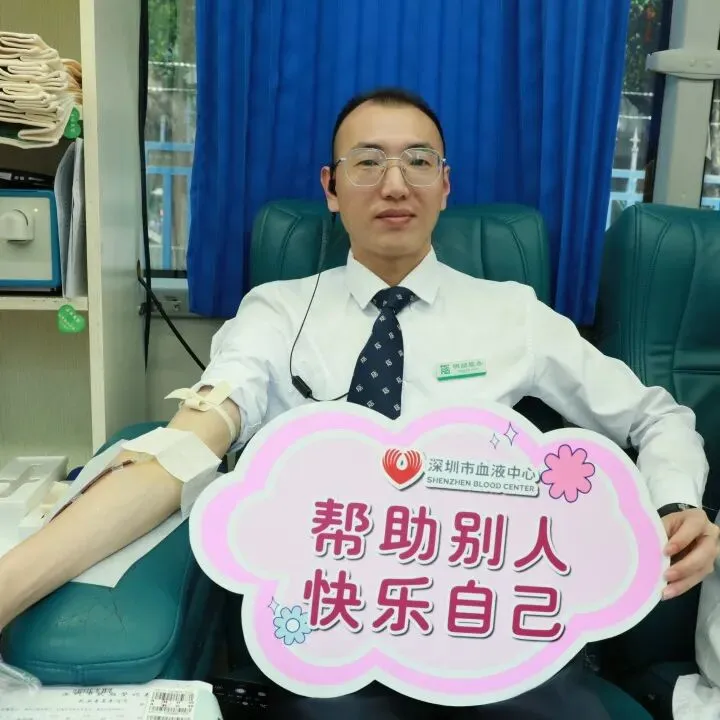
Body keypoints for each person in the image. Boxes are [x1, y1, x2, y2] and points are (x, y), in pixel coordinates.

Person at [0, 87, 718, 719]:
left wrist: (676, 501)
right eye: (368, 162)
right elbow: (191, 442)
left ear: (445, 184)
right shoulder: (277, 312)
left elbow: (656, 416)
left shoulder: (513, 314)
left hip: (489, 624)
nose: (394, 184)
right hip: (329, 630)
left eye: (418, 161)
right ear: (332, 186)